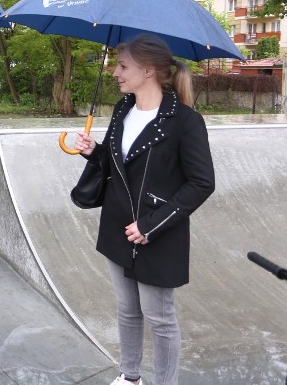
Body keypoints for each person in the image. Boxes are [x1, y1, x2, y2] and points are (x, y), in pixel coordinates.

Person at [74, 34, 215, 385]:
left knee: (160, 319)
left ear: (148, 70)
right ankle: (130, 376)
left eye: (123, 66)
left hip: (157, 234)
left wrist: (151, 224)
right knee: (127, 310)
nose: (115, 73)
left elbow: (202, 183)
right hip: (117, 226)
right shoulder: (123, 109)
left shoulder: (185, 121)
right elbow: (117, 163)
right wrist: (95, 151)